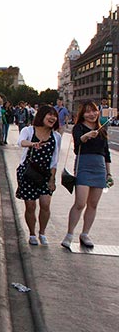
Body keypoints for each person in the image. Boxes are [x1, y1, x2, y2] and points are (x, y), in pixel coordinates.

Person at [62, 101, 113, 249]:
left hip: (100, 168)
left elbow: (107, 154)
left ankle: (85, 234)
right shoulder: (78, 127)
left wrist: (108, 174)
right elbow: (77, 145)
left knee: (93, 204)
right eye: (88, 112)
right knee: (80, 203)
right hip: (84, 166)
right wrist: (86, 136)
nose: (92, 114)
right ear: (82, 114)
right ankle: (69, 234)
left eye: (94, 111)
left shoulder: (102, 130)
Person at [15, 105, 61, 245]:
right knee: (30, 206)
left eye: (54, 115)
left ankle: (42, 232)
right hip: (28, 172)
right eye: (49, 115)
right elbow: (20, 142)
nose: (52, 118)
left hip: (46, 174)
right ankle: (32, 233)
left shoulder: (56, 136)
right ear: (41, 116)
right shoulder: (28, 130)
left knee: (45, 204)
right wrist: (32, 144)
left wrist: (52, 179)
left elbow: (54, 160)